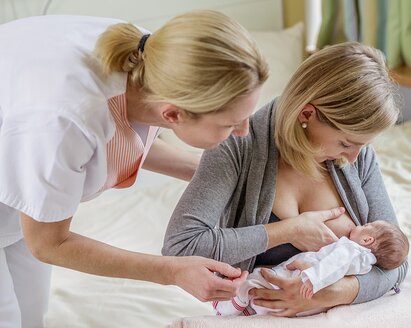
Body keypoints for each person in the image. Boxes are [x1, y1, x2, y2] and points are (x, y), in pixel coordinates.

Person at [0, 10, 275, 327]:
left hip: (26, 167)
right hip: (30, 161)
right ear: (173, 115)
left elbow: (126, 138)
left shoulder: (158, 59)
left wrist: (223, 176)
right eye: (230, 124)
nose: (243, 132)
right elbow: (49, 243)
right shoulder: (67, 119)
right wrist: (172, 271)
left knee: (32, 312)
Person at [162, 41, 409, 317]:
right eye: (345, 143)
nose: (353, 158)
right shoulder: (237, 146)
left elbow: (397, 263)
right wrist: (288, 231)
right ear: (306, 114)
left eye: (362, 145)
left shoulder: (359, 157)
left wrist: (328, 293)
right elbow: (180, 248)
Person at [213, 220, 409, 316]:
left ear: (367, 239)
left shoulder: (352, 249)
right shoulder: (365, 262)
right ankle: (247, 312)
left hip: (303, 278)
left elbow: (334, 265)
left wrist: (312, 278)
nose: (361, 224)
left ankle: (226, 310)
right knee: (264, 299)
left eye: (367, 224)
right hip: (306, 288)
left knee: (254, 282)